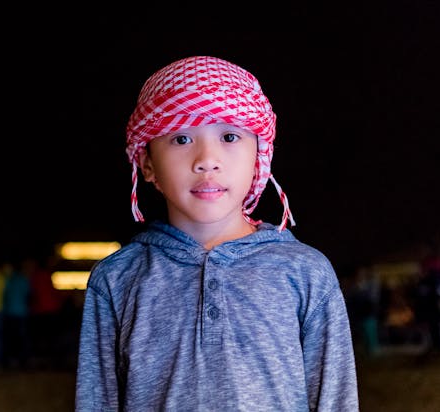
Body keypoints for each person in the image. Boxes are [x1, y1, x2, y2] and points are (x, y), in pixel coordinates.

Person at [75, 56, 358, 411]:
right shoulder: (117, 279)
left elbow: (335, 400)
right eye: (181, 138)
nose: (207, 159)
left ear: (259, 157)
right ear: (147, 163)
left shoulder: (306, 272)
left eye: (229, 136)